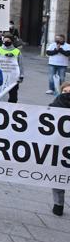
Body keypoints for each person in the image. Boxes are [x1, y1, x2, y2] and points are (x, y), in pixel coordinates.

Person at [49, 83, 70, 216]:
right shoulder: (54, 106)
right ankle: (58, 204)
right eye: (65, 91)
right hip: (60, 149)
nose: (67, 94)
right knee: (59, 177)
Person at [0, 34, 22, 103]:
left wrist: (21, 75)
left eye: (8, 41)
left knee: (13, 94)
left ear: (12, 41)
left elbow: (20, 64)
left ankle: (12, 107)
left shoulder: (17, 51)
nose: (6, 42)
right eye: (4, 40)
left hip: (13, 76)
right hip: (0, 75)